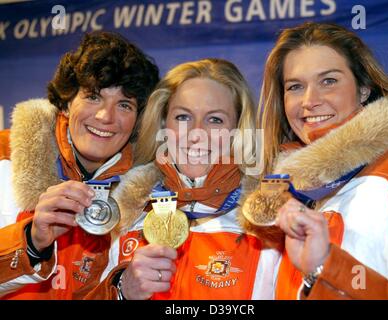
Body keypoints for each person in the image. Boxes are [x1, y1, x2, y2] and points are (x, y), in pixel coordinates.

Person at [245, 22, 388, 299]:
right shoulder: (285, 194)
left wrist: (328, 266)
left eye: (329, 81)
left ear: (363, 89)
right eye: (295, 86)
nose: (309, 100)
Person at [84, 58, 281, 300]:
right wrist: (122, 291)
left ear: (238, 130)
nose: (196, 133)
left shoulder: (269, 223)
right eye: (183, 117)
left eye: (215, 120)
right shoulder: (123, 215)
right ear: (162, 123)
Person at [0, 31, 159, 299]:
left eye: (124, 104)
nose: (105, 116)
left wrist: (123, 292)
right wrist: (30, 242)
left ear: (138, 120)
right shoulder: (5, 156)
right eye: (93, 96)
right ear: (65, 102)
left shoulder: (146, 197)